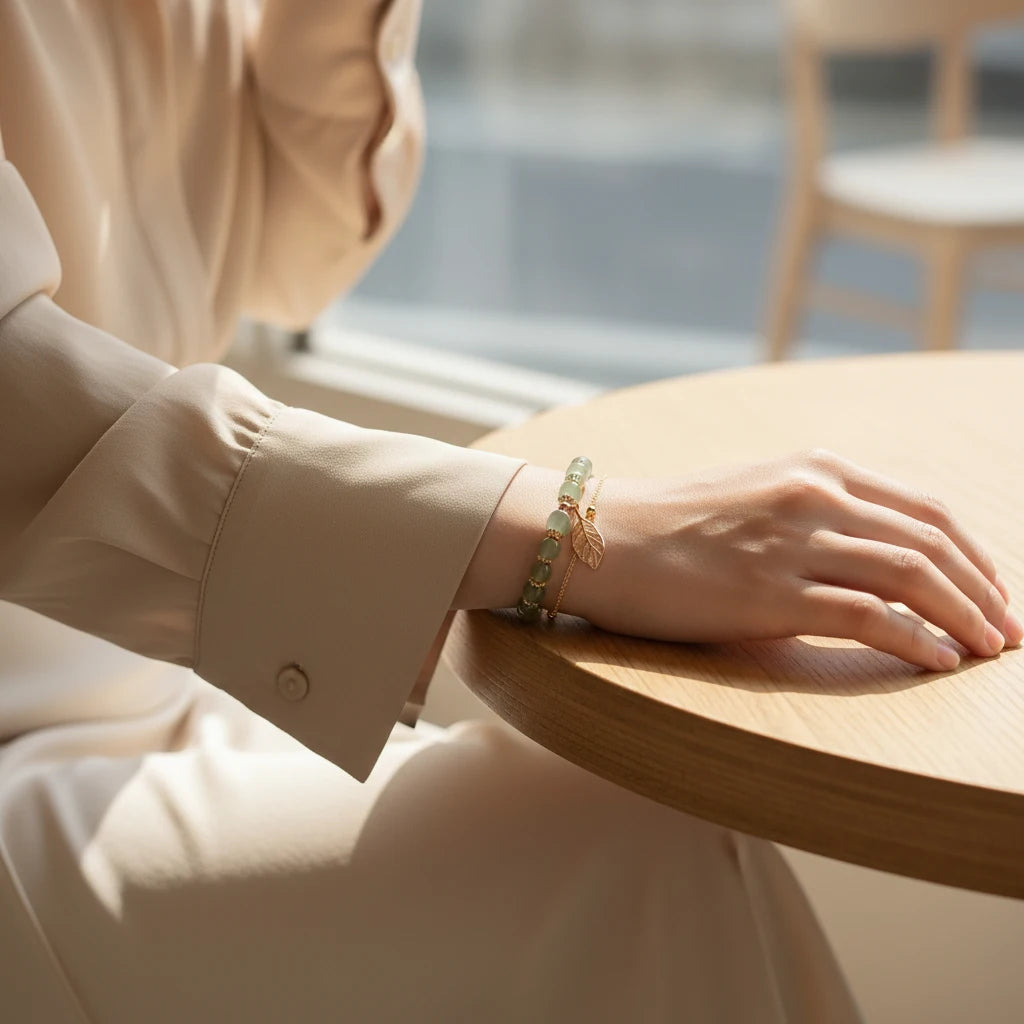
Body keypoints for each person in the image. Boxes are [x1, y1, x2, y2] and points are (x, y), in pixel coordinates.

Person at [0, 2, 1017, 1022]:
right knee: (634, 853)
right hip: (31, 755)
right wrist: (577, 534)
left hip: (176, 679)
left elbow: (293, 256)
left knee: (637, 833)